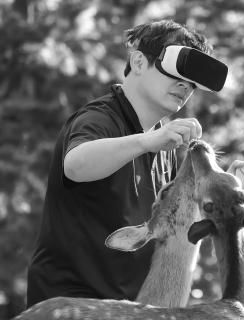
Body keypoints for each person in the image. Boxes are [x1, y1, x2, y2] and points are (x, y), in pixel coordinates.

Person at [26, 20, 227, 307]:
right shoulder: (99, 118)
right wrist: (147, 141)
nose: (186, 87)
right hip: (71, 307)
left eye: (193, 83)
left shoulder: (165, 142)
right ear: (139, 62)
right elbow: (75, 165)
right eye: (176, 73)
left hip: (129, 309)